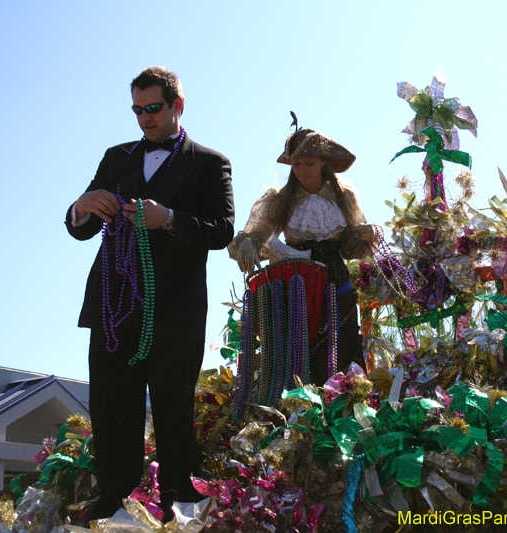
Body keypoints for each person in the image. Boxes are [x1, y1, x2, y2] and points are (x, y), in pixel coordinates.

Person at [65, 67, 234, 520]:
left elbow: (222, 229)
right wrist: (82, 207)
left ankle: (181, 503)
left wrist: (171, 219)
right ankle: (113, 503)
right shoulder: (115, 156)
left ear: (178, 105)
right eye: (137, 110)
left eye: (153, 108)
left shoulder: (209, 162)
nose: (144, 118)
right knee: (110, 406)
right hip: (113, 305)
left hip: (174, 308)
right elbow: (79, 228)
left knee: (173, 406)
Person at [229, 127, 374, 386]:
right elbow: (258, 232)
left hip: (337, 282)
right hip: (297, 286)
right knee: (300, 354)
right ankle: (301, 415)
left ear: (323, 163)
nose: (302, 169)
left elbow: (352, 249)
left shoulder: (343, 196)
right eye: (296, 164)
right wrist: (249, 242)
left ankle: (348, 407)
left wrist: (367, 234)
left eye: (309, 163)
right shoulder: (281, 199)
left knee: (345, 347)